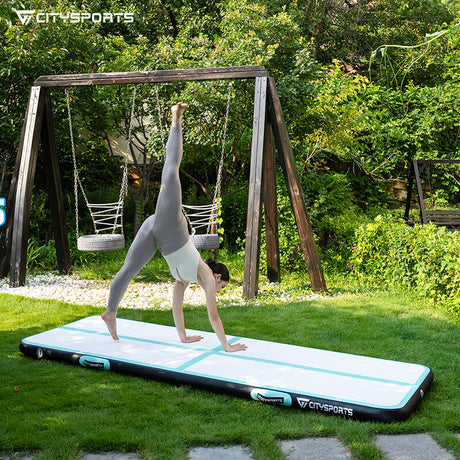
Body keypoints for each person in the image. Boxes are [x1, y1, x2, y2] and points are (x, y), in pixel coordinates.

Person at [102, 102, 246, 353]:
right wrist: (227, 346)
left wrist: (183, 337)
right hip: (172, 226)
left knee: (128, 270)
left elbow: (176, 307)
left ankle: (110, 312)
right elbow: (214, 317)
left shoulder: (184, 279)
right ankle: (176, 118)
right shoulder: (207, 279)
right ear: (217, 277)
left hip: (154, 232)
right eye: (221, 287)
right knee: (170, 171)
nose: (218, 291)